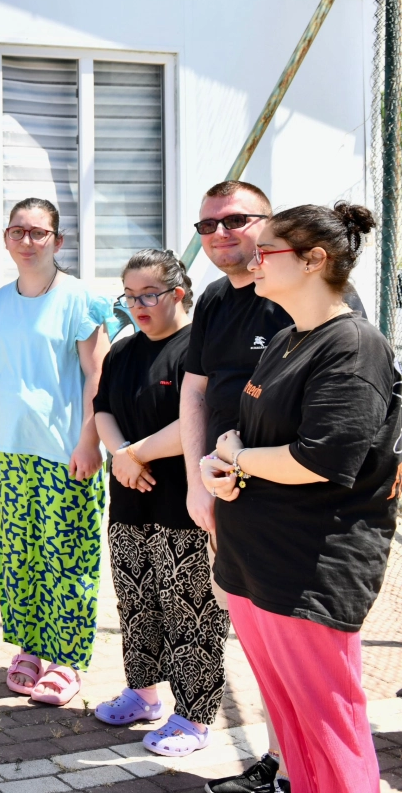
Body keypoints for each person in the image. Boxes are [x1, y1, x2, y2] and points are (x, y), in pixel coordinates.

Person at [201, 203, 395, 793]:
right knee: (293, 727)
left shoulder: (353, 345)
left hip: (308, 570)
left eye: (267, 252)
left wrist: (238, 459)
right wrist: (221, 465)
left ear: (314, 260)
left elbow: (318, 459)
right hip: (254, 562)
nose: (253, 261)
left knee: (330, 732)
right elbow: (252, 437)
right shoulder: (287, 338)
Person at [0, 199, 111, 703]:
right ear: (6, 238)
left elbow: (97, 374)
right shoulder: (1, 301)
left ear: (58, 240)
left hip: (65, 452)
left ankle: (66, 660)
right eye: (17, 232)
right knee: (18, 555)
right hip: (9, 449)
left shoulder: (80, 299)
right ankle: (29, 648)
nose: (26, 241)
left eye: (38, 232)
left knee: (68, 558)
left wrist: (90, 440)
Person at [177, 180, 294, 793]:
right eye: (207, 225)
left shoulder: (298, 295)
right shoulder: (216, 299)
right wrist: (197, 481)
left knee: (292, 643)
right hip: (225, 498)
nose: (219, 234)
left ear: (269, 223)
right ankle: (281, 759)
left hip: (287, 502)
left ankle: (302, 769)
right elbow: (196, 390)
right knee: (257, 639)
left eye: (234, 220)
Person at [92, 250, 228, 756]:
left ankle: (194, 716)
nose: (137, 305)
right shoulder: (123, 351)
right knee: (137, 602)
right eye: (129, 296)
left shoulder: (200, 349)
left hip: (184, 504)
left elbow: (198, 419)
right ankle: (143, 693)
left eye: (148, 295)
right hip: (129, 501)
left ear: (178, 293)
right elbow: (102, 410)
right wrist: (120, 456)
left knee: (191, 611)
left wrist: (135, 454)